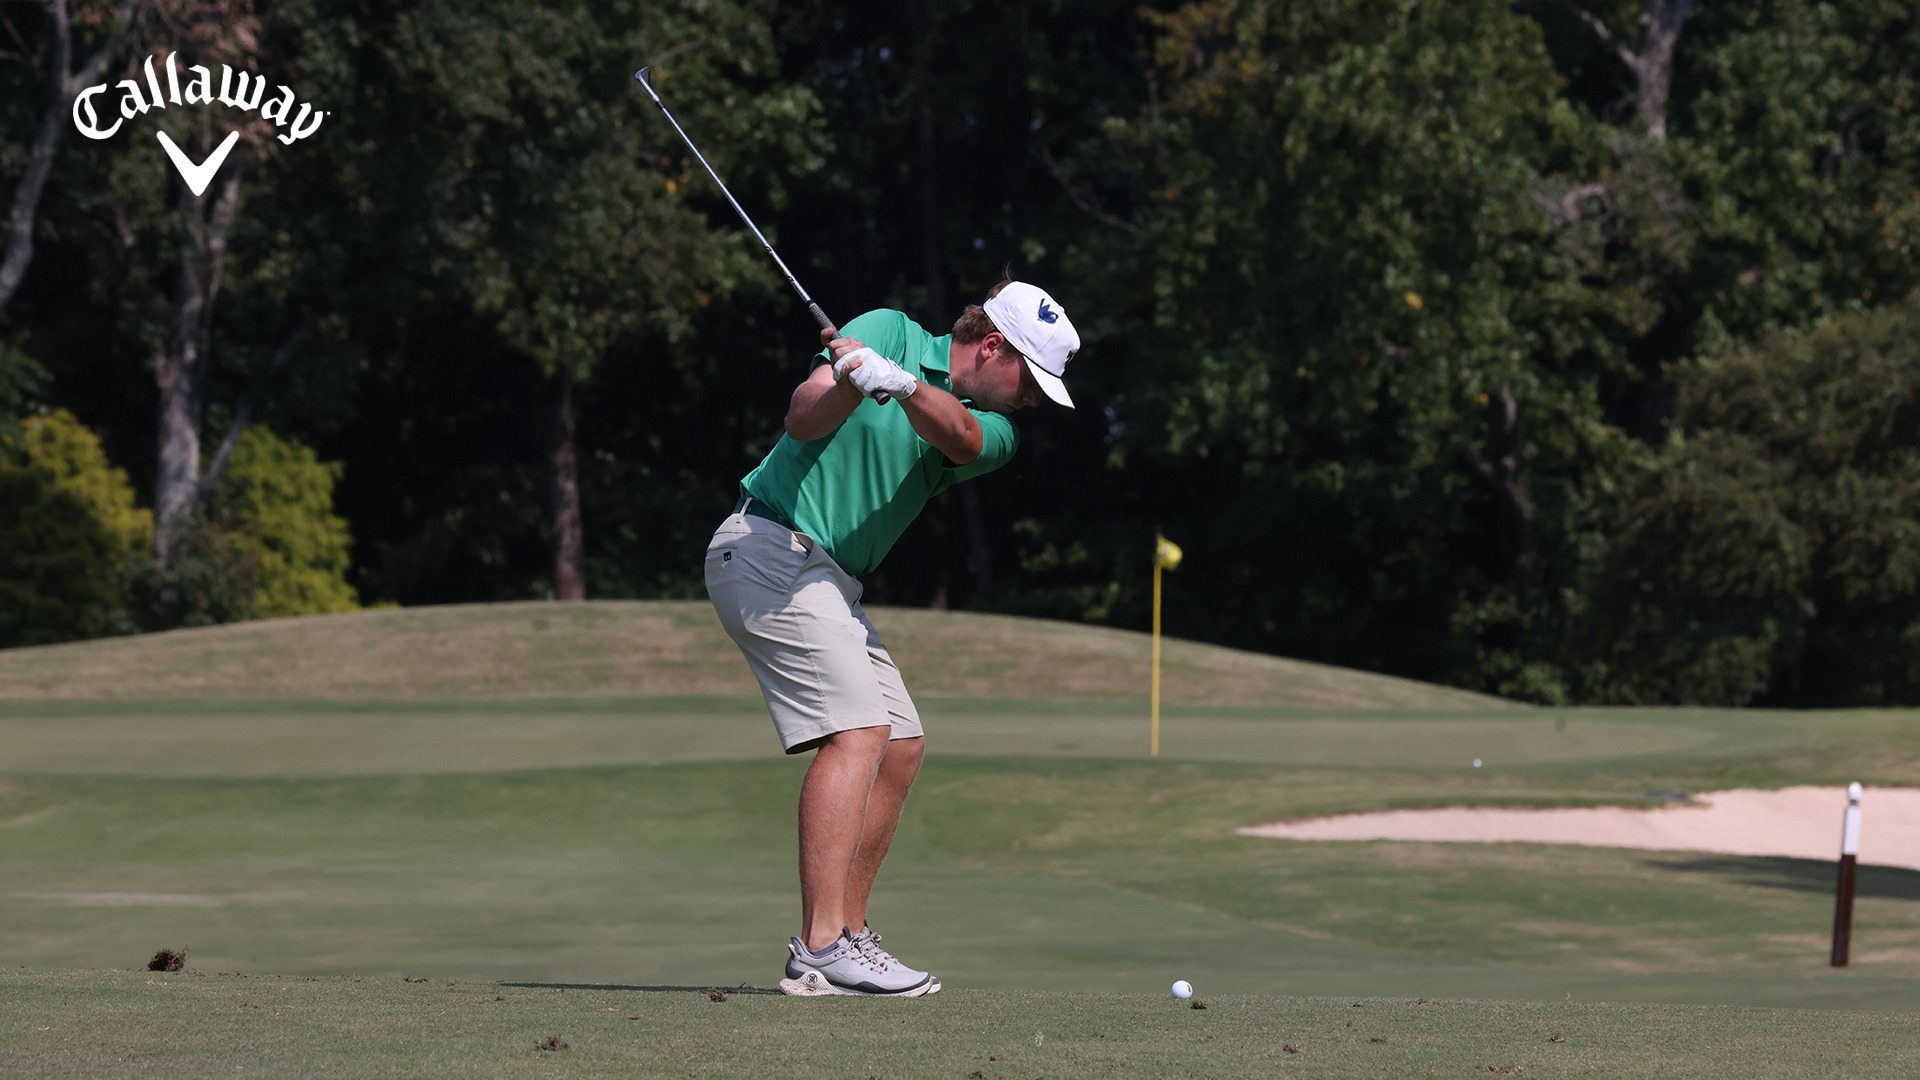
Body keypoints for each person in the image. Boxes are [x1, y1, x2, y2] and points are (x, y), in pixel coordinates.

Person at [703, 277, 1079, 996]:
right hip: (767, 548)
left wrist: (902, 386)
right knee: (860, 732)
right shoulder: (887, 329)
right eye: (1031, 381)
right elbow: (802, 419)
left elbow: (960, 437)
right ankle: (820, 948)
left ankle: (848, 935)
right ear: (992, 346)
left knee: (901, 743)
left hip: (830, 582)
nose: (1033, 400)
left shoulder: (994, 428)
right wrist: (849, 385)